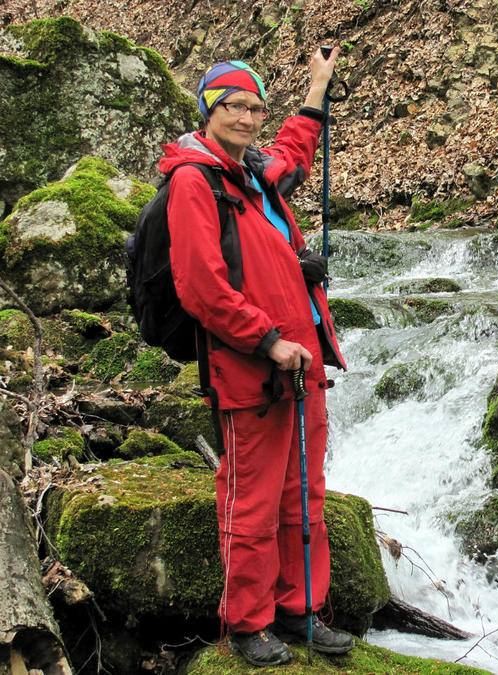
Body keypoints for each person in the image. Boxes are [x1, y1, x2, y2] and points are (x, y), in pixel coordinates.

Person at [160, 51, 353, 667]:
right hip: (250, 369)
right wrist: (268, 341)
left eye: (253, 106)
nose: (245, 116)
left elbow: (296, 146)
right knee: (252, 500)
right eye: (232, 105)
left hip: (305, 362)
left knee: (305, 492)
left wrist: (318, 87)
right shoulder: (196, 181)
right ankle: (247, 623)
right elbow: (201, 287)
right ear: (208, 110)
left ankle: (300, 611)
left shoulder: (258, 172)